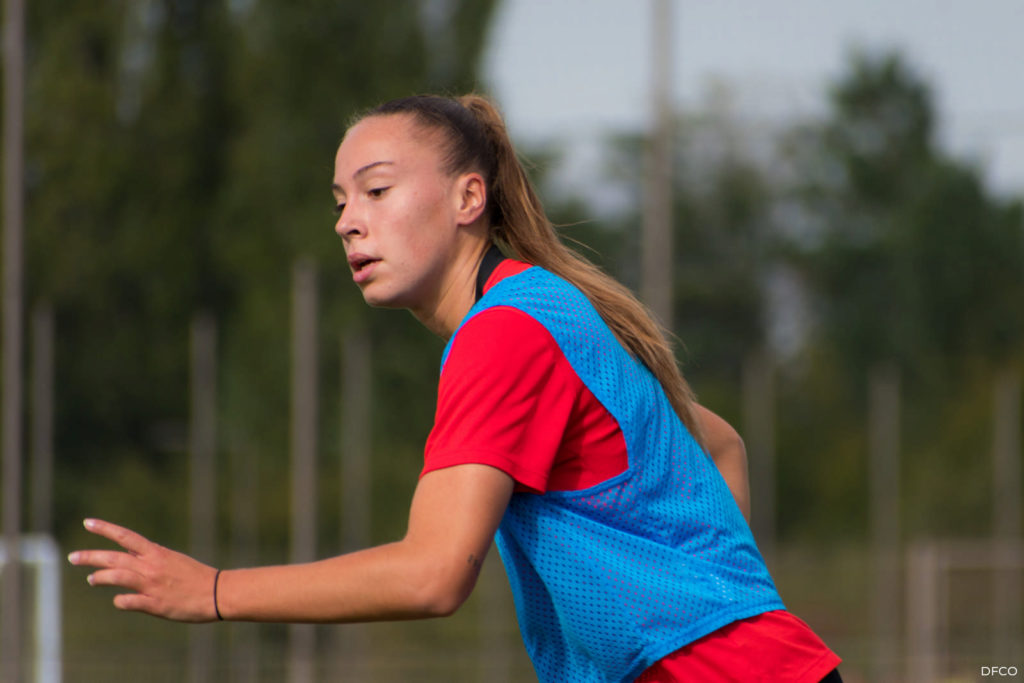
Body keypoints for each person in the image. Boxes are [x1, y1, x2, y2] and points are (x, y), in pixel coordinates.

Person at [70, 93, 842, 682]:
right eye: (340, 202)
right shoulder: (542, 309)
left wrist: (214, 590)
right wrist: (720, 597)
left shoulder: (504, 332)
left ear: (469, 199)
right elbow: (721, 445)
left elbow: (433, 573)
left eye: (376, 191)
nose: (347, 222)